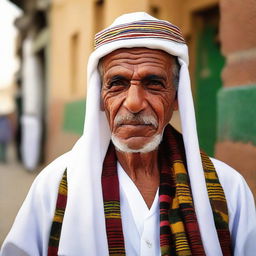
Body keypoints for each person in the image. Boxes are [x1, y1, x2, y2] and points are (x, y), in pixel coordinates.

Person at [1, 12, 256, 256]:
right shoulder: (53, 187)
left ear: (177, 97)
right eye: (117, 84)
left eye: (154, 83)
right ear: (101, 98)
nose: (134, 103)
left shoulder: (228, 190)